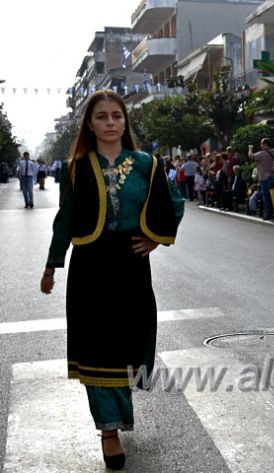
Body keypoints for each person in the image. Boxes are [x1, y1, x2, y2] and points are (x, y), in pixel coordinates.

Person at [39, 90, 184, 470]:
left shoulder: (146, 164)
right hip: (90, 268)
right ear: (90, 123)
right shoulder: (77, 167)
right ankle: (109, 431)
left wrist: (156, 237)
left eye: (116, 116)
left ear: (125, 122)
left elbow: (175, 203)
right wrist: (53, 265)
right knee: (95, 349)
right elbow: (65, 219)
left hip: (131, 268)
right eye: (101, 117)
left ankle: (118, 408)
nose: (109, 123)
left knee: (127, 343)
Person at [248, 138, 274, 220]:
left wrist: (250, 149)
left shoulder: (262, 154)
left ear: (265, 144)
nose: (260, 145)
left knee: (266, 197)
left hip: (264, 178)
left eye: (261, 144)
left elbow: (251, 156)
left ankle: (269, 213)